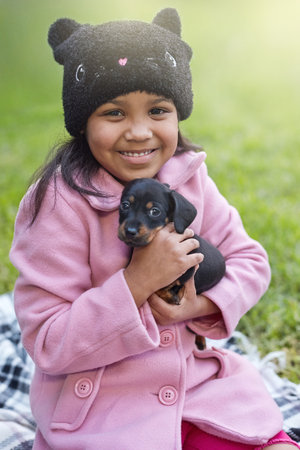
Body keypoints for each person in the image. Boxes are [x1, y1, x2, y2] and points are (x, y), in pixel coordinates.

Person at [10, 8, 299, 450]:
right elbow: (47, 340)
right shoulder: (59, 202)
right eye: (114, 112)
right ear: (83, 119)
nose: (140, 131)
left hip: (197, 392)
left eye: (158, 109)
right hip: (102, 411)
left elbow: (250, 260)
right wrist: (136, 283)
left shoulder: (189, 178)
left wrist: (195, 306)